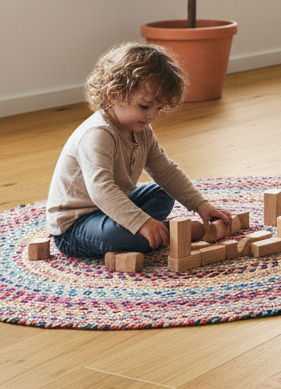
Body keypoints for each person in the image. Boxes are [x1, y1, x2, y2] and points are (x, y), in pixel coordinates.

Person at [47, 42, 233, 259]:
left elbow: (165, 170)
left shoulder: (141, 128)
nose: (152, 115)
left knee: (164, 192)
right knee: (121, 237)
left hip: (112, 209)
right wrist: (142, 222)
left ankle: (149, 230)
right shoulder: (97, 134)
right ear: (114, 94)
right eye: (145, 106)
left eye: (159, 108)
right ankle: (166, 232)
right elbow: (101, 190)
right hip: (75, 225)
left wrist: (200, 204)